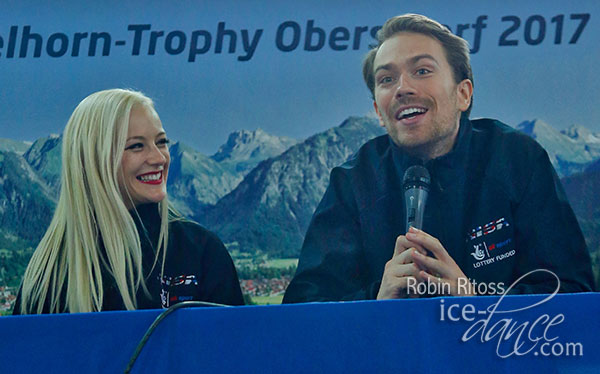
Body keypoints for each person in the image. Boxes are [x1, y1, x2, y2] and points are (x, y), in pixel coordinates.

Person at [283, 14, 595, 303]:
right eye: (386, 79)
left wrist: (473, 299)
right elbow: (302, 311)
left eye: (421, 71)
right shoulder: (353, 181)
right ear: (379, 112)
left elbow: (573, 293)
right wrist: (376, 301)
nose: (403, 88)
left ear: (463, 94)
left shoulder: (518, 161)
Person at [14, 89, 243, 314]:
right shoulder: (50, 272)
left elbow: (234, 347)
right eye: (136, 146)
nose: (159, 158)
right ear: (95, 159)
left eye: (161, 142)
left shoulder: (201, 251)